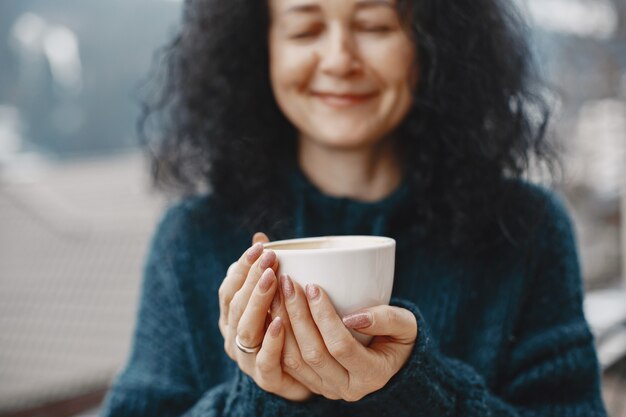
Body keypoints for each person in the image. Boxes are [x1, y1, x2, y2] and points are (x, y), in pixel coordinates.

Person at [101, 0, 608, 415]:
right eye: (304, 29)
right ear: (261, 49)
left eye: (374, 25)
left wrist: (417, 388)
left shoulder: (524, 229)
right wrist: (263, 397)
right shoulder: (191, 238)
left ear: (429, 43)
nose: (340, 59)